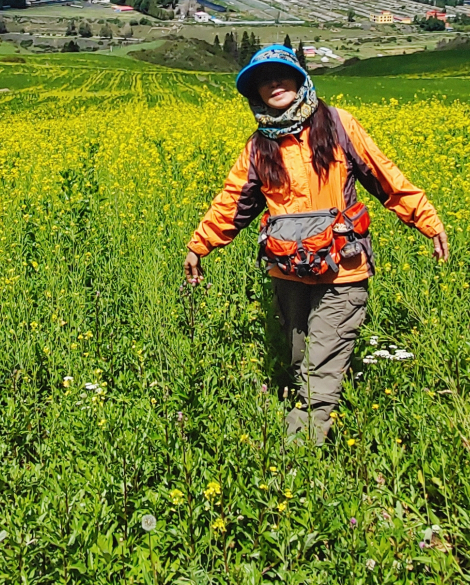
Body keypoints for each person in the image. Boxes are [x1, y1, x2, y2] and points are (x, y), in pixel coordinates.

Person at [183, 44, 450, 443]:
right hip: (288, 274)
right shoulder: (258, 147)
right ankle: (323, 432)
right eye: (262, 80)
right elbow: (233, 203)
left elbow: (384, 177)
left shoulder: (338, 125)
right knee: (298, 362)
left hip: (342, 271)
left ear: (299, 78)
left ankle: (297, 467)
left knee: (319, 373)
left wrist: (426, 219)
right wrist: (199, 245)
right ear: (255, 94)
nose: (273, 84)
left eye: (281, 74)